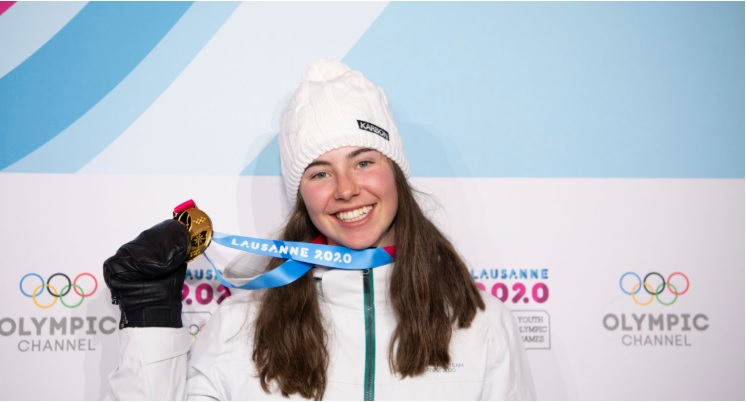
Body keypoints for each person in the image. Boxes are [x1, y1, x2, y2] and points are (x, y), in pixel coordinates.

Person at [104, 59, 536, 400]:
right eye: (320, 173)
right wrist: (150, 324)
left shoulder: (479, 322)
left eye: (364, 162)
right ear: (302, 194)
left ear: (396, 173)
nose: (347, 190)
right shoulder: (242, 321)